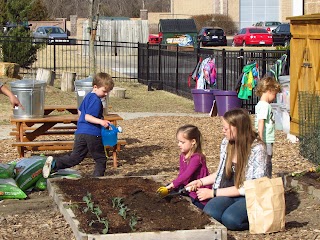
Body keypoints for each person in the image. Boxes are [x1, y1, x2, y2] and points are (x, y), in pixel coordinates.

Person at [186, 108, 268, 231]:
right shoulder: (227, 143)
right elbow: (221, 173)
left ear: (237, 128)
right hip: (227, 192)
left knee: (231, 220)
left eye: (226, 128)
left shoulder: (257, 149)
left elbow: (250, 187)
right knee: (210, 212)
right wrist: (201, 182)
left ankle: (260, 220)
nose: (223, 131)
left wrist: (213, 193)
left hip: (249, 196)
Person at [42, 72, 114, 178]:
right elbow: (87, 117)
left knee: (75, 158)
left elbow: (80, 112)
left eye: (108, 92)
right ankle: (96, 181)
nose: (106, 94)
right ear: (95, 87)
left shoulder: (88, 97)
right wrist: (101, 122)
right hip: (93, 134)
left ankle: (55, 163)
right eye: (104, 91)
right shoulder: (96, 100)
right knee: (100, 159)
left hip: (80, 133)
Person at [165, 124, 211, 210]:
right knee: (170, 190)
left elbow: (186, 174)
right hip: (187, 186)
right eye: (178, 141)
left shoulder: (197, 158)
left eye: (182, 142)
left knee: (196, 204)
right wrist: (174, 185)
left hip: (198, 188)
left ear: (193, 142)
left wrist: (173, 184)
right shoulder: (183, 156)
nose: (179, 144)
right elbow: (181, 174)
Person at [255, 76, 281, 178]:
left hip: (266, 138)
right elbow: (261, 122)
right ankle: (266, 179)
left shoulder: (259, 105)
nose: (274, 98)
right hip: (266, 138)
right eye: (274, 94)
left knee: (265, 159)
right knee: (267, 160)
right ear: (269, 91)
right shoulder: (265, 106)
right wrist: (261, 138)